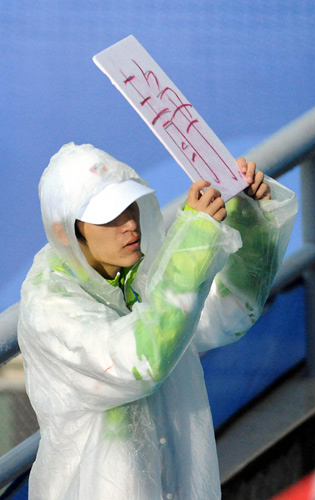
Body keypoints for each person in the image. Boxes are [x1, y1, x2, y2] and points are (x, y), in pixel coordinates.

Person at [18, 142, 297, 500]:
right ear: (63, 232)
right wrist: (193, 240)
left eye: (129, 205)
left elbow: (231, 312)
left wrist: (246, 216)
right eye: (108, 216)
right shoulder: (49, 303)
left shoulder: (139, 274)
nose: (129, 224)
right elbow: (137, 361)